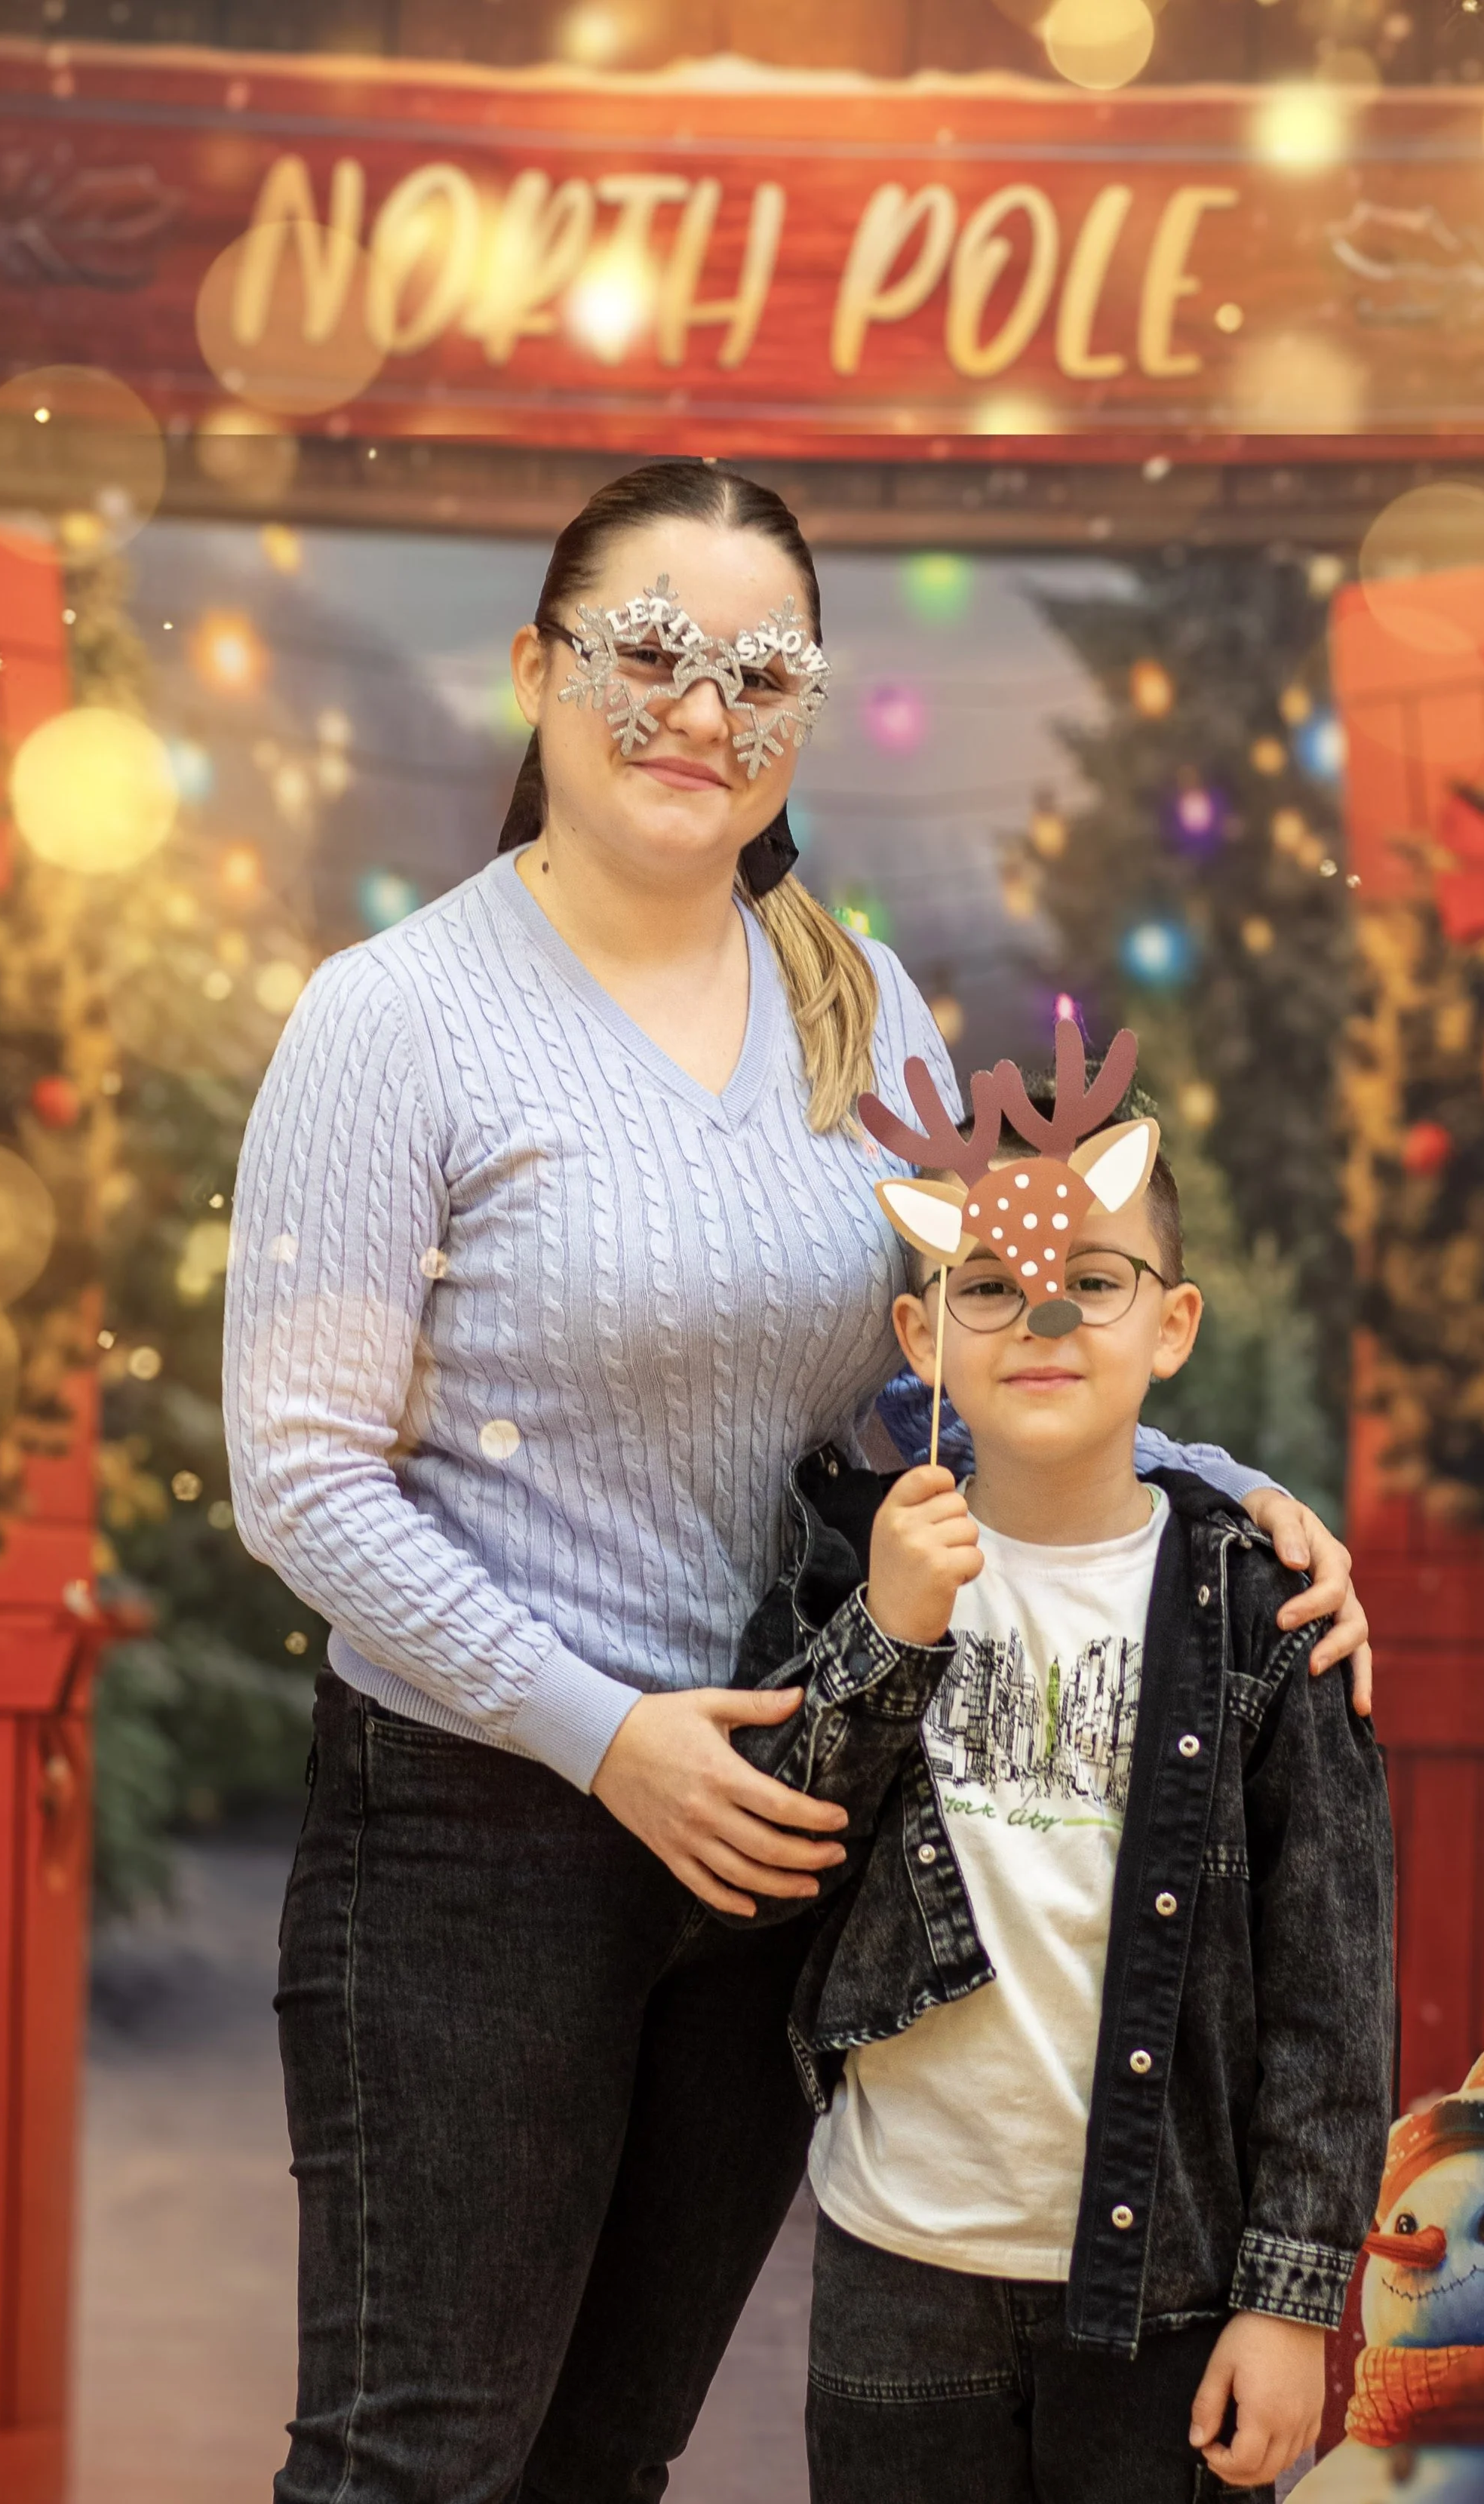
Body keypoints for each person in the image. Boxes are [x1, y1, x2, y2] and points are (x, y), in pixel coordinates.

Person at [223, 458, 1373, 2504]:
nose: (698, 708)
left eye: (760, 669)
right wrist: (603, 1740)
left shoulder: (853, 1002)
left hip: (780, 1818)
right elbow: (298, 1484)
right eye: (646, 650)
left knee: (608, 2451)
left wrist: (1210, 1478)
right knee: (421, 2455)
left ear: (804, 716)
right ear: (534, 668)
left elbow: (938, 1371)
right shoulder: (390, 1019)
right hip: (477, 1834)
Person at [728, 1043, 1395, 2504]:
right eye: (988, 1288)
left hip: (1165, 2290)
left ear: (1171, 1327)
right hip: (900, 2278)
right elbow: (771, 1860)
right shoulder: (861, 1574)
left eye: (1091, 1280)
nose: (1040, 1314)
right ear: (922, 1334)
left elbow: (1331, 1996)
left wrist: (1288, 2300)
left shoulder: (1265, 1617)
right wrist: (884, 1640)